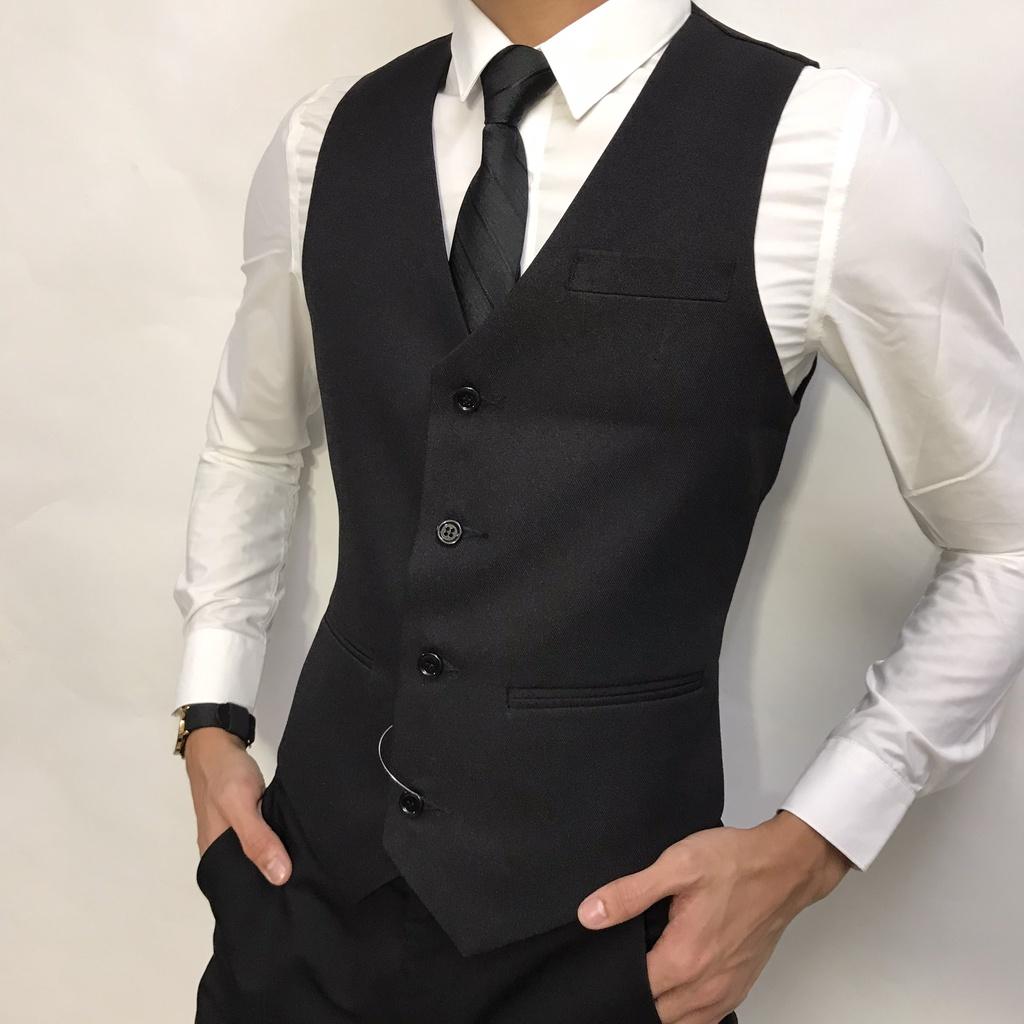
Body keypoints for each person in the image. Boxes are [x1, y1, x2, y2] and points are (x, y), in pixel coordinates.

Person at [170, 1, 1024, 1021]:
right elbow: (255, 441)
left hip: (611, 945)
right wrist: (209, 714)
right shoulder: (325, 138)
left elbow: (1006, 537)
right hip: (298, 902)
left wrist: (813, 846)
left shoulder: (823, 148)